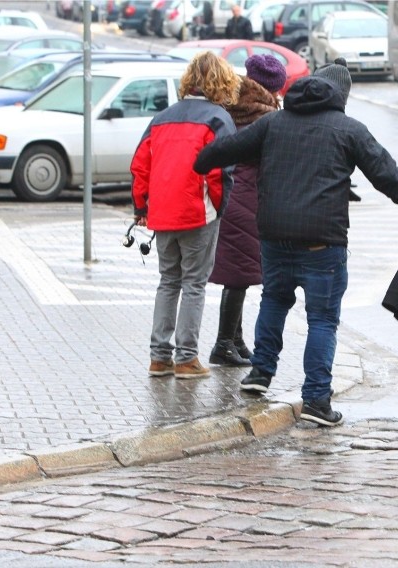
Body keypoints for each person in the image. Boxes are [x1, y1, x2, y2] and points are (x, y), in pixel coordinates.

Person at [194, 58, 398, 426]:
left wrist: (198, 161)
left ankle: (260, 374)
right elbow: (390, 178)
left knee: (275, 301)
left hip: (274, 236)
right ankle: (315, 400)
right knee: (323, 319)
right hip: (321, 244)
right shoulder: (349, 130)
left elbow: (220, 152)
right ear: (340, 96)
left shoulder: (273, 122)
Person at [131, 51, 240, 380]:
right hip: (197, 212)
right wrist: (219, 208)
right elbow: (221, 171)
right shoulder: (218, 119)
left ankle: (159, 357)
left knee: (168, 281)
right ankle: (187, 357)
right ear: (221, 82)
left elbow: (140, 165)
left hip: (161, 214)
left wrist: (141, 208)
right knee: (194, 283)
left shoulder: (161, 118)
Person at [208, 54, 286, 367]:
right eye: (278, 89)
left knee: (238, 272)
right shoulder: (264, 115)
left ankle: (235, 339)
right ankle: (224, 343)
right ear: (270, 87)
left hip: (229, 194)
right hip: (245, 197)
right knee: (239, 273)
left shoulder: (230, 103)